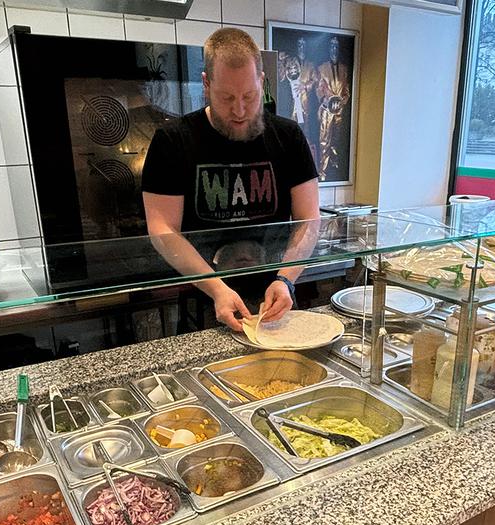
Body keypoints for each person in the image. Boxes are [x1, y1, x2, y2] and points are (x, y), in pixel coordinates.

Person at [141, 28, 320, 332]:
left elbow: (309, 219)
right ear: (206, 85)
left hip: (275, 299)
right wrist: (217, 289)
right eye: (227, 98)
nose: (239, 110)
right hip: (204, 298)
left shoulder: (289, 137)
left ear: (261, 82)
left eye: (249, 97)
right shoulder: (172, 141)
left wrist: (286, 278)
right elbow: (162, 228)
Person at [316, 36, 351, 180]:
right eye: (332, 47)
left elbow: (346, 92)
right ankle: (322, 171)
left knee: (336, 140)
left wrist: (342, 101)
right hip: (326, 110)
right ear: (328, 49)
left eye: (336, 47)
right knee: (324, 141)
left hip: (339, 112)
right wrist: (325, 95)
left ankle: (334, 167)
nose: (334, 50)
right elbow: (318, 90)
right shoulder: (321, 68)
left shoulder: (344, 69)